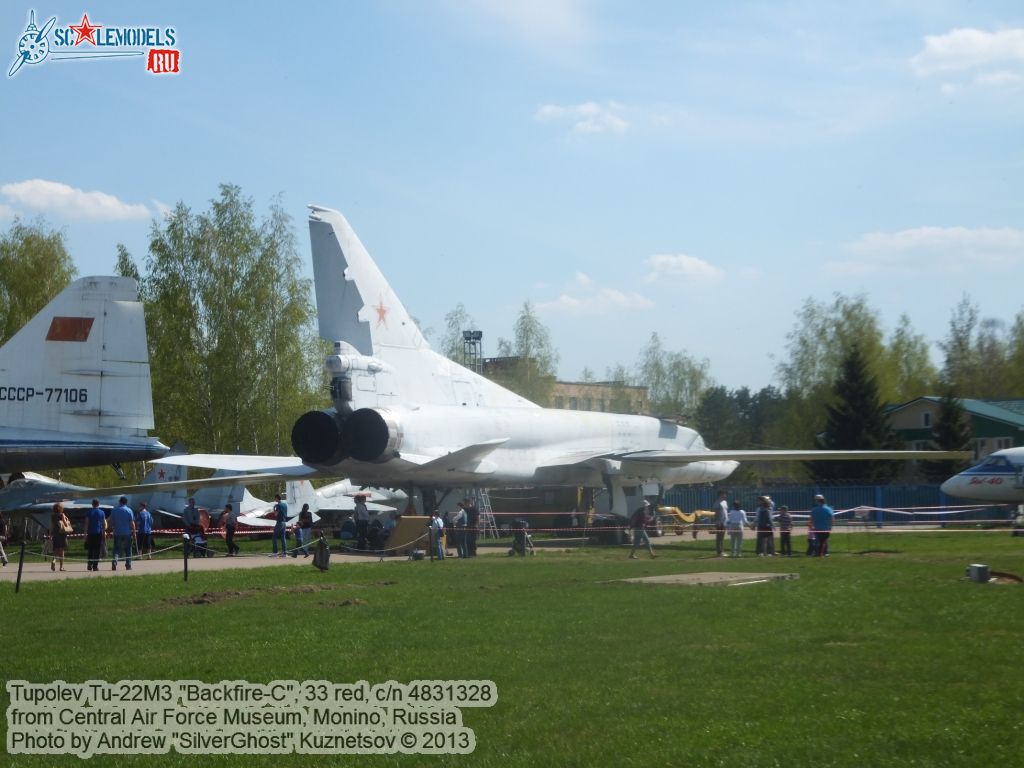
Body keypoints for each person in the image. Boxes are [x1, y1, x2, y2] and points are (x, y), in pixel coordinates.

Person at [110, 496, 136, 571]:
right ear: (126, 502)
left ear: (120, 501)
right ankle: (128, 565)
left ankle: (114, 562)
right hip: (127, 532)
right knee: (128, 549)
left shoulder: (114, 510)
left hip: (117, 532)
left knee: (116, 549)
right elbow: (132, 523)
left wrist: (112, 528)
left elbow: (112, 522)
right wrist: (134, 532)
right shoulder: (129, 510)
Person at [50, 502, 72, 571]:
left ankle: (54, 560)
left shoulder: (53, 516)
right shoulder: (62, 514)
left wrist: (51, 534)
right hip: (62, 534)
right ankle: (61, 566)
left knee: (56, 549)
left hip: (55, 534)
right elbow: (65, 524)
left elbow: (52, 526)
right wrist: (67, 520)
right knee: (61, 550)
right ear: (61, 509)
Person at [85, 499, 106, 572]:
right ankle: (95, 566)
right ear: (98, 504)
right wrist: (104, 534)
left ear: (92, 504)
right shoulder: (102, 512)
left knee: (90, 549)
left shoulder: (89, 512)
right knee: (97, 550)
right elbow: (103, 524)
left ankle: (89, 564)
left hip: (90, 533)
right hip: (98, 533)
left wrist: (85, 534)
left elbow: (87, 524)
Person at [272, 493, 288, 557]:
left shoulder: (278, 505)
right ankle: (285, 553)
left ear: (276, 498)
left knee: (274, 537)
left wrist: (274, 508)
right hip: (284, 522)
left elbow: (275, 514)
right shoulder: (285, 504)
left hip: (279, 522)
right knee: (283, 538)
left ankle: (275, 553)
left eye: (275, 498)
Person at [714, 490, 729, 557]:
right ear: (720, 495)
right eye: (723, 494)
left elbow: (725, 512)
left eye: (725, 494)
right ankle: (719, 551)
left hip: (724, 522)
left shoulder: (725, 502)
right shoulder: (717, 502)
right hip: (719, 522)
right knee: (719, 537)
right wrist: (717, 521)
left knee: (722, 538)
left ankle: (721, 551)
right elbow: (716, 513)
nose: (725, 495)